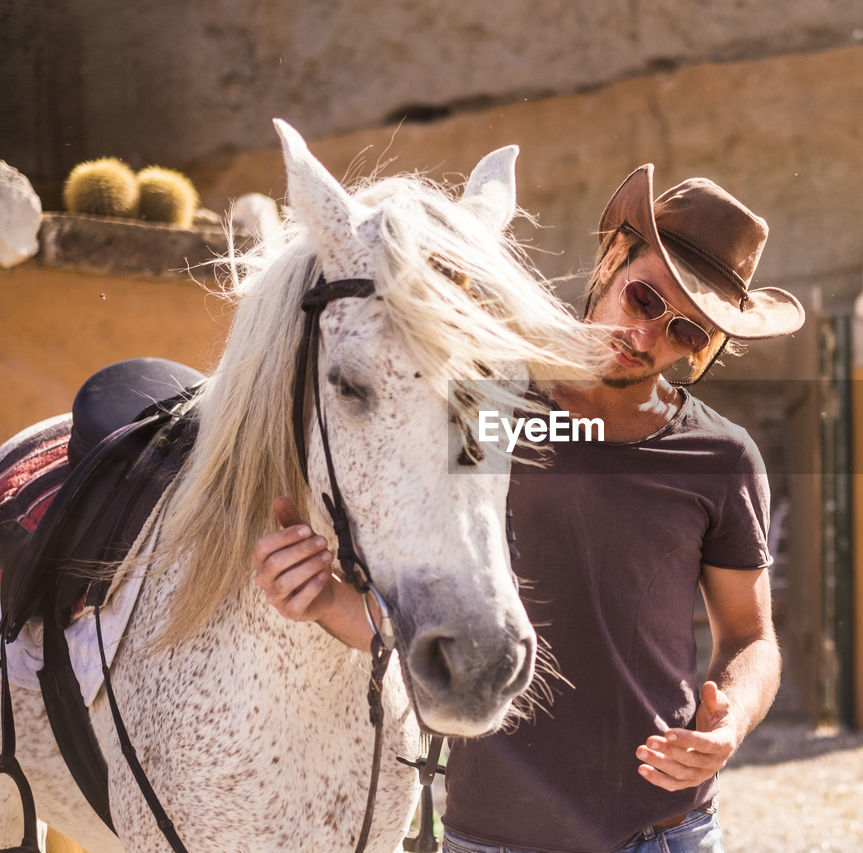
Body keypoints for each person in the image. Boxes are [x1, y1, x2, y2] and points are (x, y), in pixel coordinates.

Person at [253, 164, 805, 852]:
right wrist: (319, 598)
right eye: (644, 297)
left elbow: (751, 636)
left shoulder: (723, 457)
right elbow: (432, 619)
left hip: (666, 834)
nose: (648, 335)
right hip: (495, 838)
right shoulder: (485, 415)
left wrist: (732, 721)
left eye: (688, 332)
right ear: (612, 257)